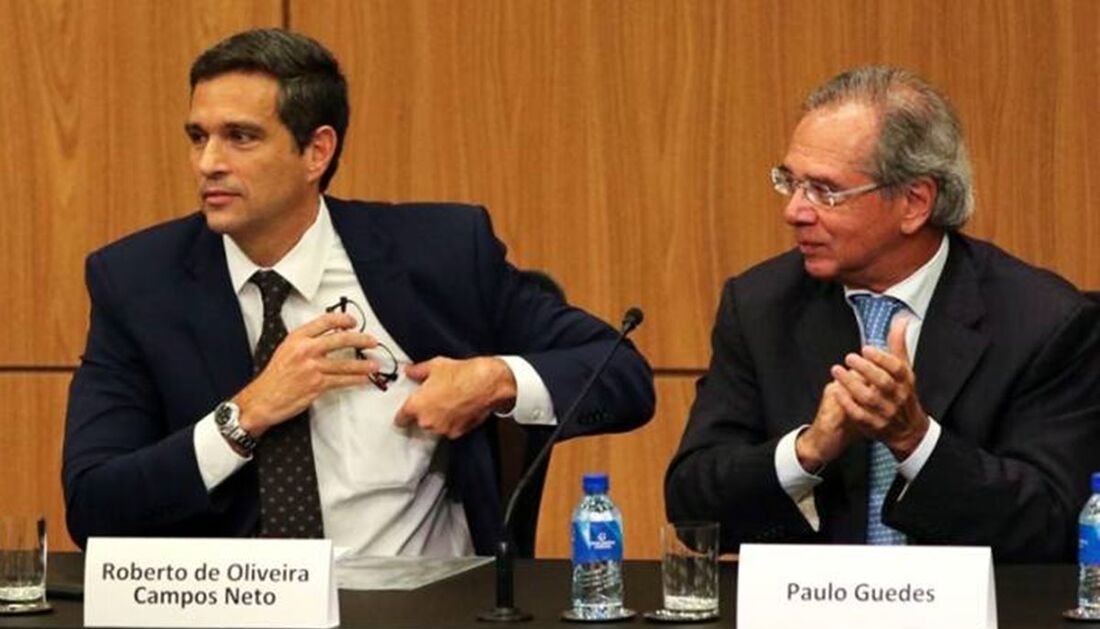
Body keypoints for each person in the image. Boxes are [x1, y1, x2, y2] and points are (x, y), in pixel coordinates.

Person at [62, 28, 654, 558]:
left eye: (240, 137)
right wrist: (245, 416)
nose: (208, 163)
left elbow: (621, 374)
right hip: (230, 626)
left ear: (317, 151)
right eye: (198, 136)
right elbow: (94, 505)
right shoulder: (138, 283)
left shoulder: (441, 253)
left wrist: (495, 380)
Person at [665, 65, 1100, 562]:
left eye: (825, 191)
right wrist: (807, 451)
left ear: (914, 202)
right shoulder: (762, 306)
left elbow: (1055, 524)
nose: (795, 211)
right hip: (804, 625)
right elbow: (691, 504)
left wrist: (914, 440)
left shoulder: (1043, 322)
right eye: (790, 182)